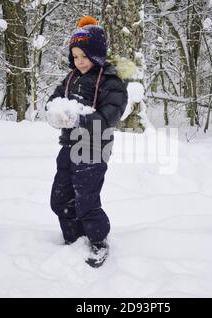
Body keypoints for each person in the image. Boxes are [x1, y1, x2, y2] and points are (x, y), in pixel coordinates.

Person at [46, 16, 128, 268]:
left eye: (84, 56)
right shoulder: (70, 79)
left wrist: (79, 119)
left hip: (93, 147)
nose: (79, 61)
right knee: (60, 198)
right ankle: (74, 238)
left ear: (97, 55)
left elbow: (109, 116)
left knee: (86, 199)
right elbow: (53, 100)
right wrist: (53, 112)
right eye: (75, 56)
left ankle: (97, 241)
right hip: (69, 145)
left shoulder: (110, 81)